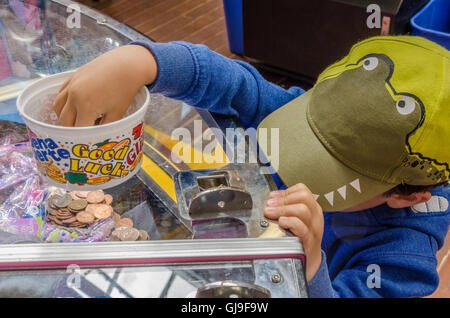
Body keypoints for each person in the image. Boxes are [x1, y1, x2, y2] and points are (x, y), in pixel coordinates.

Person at [52, 35, 450, 297]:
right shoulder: (299, 108)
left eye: (326, 168)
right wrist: (140, 62)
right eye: (304, 136)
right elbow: (233, 82)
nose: (292, 166)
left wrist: (311, 268)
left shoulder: (404, 259)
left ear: (407, 197)